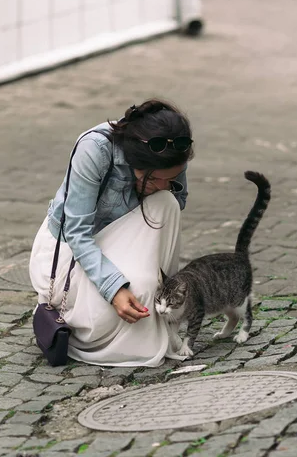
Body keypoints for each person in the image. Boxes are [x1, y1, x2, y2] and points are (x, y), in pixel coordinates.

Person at [29, 98, 194, 367]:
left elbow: (178, 202)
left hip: (122, 240)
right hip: (71, 252)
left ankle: (141, 296)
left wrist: (162, 187)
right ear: (134, 160)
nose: (163, 184)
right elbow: (77, 232)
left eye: (171, 178)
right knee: (127, 299)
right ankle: (76, 320)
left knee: (168, 204)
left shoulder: (172, 150)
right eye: (152, 178)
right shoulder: (95, 149)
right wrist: (114, 288)